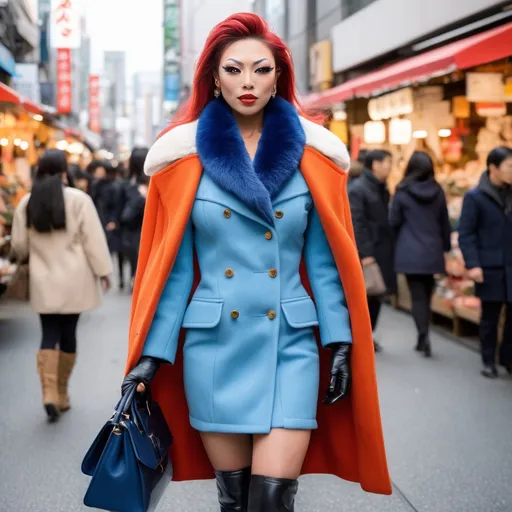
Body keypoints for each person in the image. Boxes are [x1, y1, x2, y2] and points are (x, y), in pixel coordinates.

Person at [121, 13, 391, 512]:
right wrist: (151, 355)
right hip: (214, 347)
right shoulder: (182, 161)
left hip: (290, 345)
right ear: (214, 79)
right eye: (234, 69)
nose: (248, 82)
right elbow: (175, 273)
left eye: (261, 69)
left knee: (272, 501)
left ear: (279, 78)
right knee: (235, 500)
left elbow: (326, 265)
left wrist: (339, 343)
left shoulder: (314, 157)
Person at [11, 149, 112, 422]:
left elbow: (19, 246)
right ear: (64, 171)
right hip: (75, 280)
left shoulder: (27, 203)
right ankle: (63, 394)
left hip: (44, 281)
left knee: (48, 333)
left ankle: (49, 393)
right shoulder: (79, 200)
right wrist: (104, 272)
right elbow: (93, 240)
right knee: (69, 333)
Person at [389, 151, 451, 356]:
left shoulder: (402, 190)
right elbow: (444, 222)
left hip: (410, 250)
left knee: (417, 297)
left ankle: (422, 336)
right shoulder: (438, 191)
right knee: (427, 293)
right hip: (433, 250)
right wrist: (446, 249)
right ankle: (424, 334)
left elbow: (394, 221)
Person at [458, 146, 512, 378]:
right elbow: (466, 233)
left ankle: (508, 358)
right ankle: (488, 360)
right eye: (510, 166)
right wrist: (473, 264)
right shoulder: (475, 197)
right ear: (493, 168)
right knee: (490, 316)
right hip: (489, 266)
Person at [348, 149, 395, 351]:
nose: (390, 166)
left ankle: (366, 335)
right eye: (387, 162)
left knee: (376, 295)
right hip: (369, 252)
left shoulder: (381, 188)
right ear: (375, 164)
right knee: (367, 296)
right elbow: (356, 222)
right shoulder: (358, 189)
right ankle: (360, 337)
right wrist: (365, 254)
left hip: (382, 249)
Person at [88, 160, 125, 289]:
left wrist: (113, 220)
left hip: (104, 220)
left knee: (108, 249)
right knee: (112, 250)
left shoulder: (105, 185)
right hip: (106, 220)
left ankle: (108, 276)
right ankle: (111, 277)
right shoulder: (105, 184)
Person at [120, 147, 149, 290]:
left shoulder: (129, 185)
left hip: (141, 235)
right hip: (135, 235)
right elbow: (125, 216)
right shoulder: (129, 187)